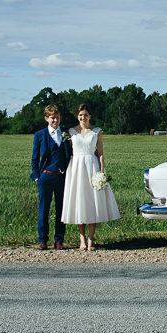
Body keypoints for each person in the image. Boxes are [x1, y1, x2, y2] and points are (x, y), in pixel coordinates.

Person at [61, 103, 120, 250]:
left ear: (90, 116)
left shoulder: (96, 131)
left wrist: (101, 172)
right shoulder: (71, 132)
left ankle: (91, 239)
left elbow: (100, 153)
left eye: (86, 115)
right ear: (77, 116)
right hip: (76, 169)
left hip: (92, 167)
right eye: (81, 115)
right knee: (79, 201)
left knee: (92, 202)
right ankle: (81, 239)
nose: (83, 117)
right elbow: (67, 152)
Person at [30, 104, 71, 250]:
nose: (55, 120)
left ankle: (59, 240)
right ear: (47, 118)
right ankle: (43, 240)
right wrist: (36, 177)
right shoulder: (40, 135)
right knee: (44, 209)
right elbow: (35, 158)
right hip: (45, 177)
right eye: (52, 117)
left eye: (57, 117)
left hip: (61, 178)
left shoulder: (66, 135)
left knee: (61, 209)